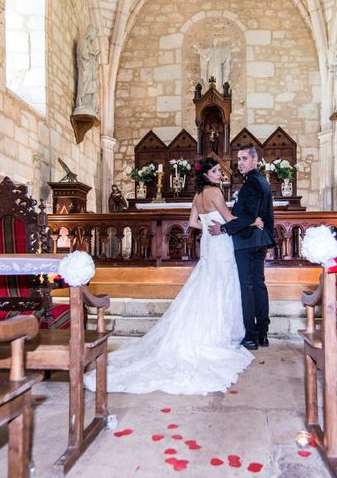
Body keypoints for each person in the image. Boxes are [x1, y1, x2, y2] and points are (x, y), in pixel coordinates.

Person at [84, 157, 263, 395]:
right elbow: (230, 220)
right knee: (222, 285)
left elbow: (192, 223)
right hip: (220, 245)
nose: (220, 173)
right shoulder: (215, 194)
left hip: (210, 244)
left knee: (209, 283)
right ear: (206, 175)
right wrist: (253, 222)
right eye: (216, 170)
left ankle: (213, 330)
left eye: (220, 170)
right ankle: (219, 334)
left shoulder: (198, 197)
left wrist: (210, 226)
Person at [209, 144, 275, 350]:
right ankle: (262, 334)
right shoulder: (261, 181)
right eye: (238, 159)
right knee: (258, 285)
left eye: (244, 158)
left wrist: (224, 228)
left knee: (247, 287)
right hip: (258, 239)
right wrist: (267, 237)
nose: (240, 163)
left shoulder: (253, 183)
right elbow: (264, 216)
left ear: (255, 160)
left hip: (247, 241)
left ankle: (251, 336)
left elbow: (247, 216)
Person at [74, 25, 100, 114]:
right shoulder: (82, 41)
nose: (94, 36)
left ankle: (90, 105)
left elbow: (89, 56)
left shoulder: (89, 44)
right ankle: (81, 102)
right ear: (90, 32)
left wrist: (94, 55)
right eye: (94, 34)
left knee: (93, 86)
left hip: (91, 70)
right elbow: (84, 55)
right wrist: (92, 54)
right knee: (84, 84)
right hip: (85, 69)